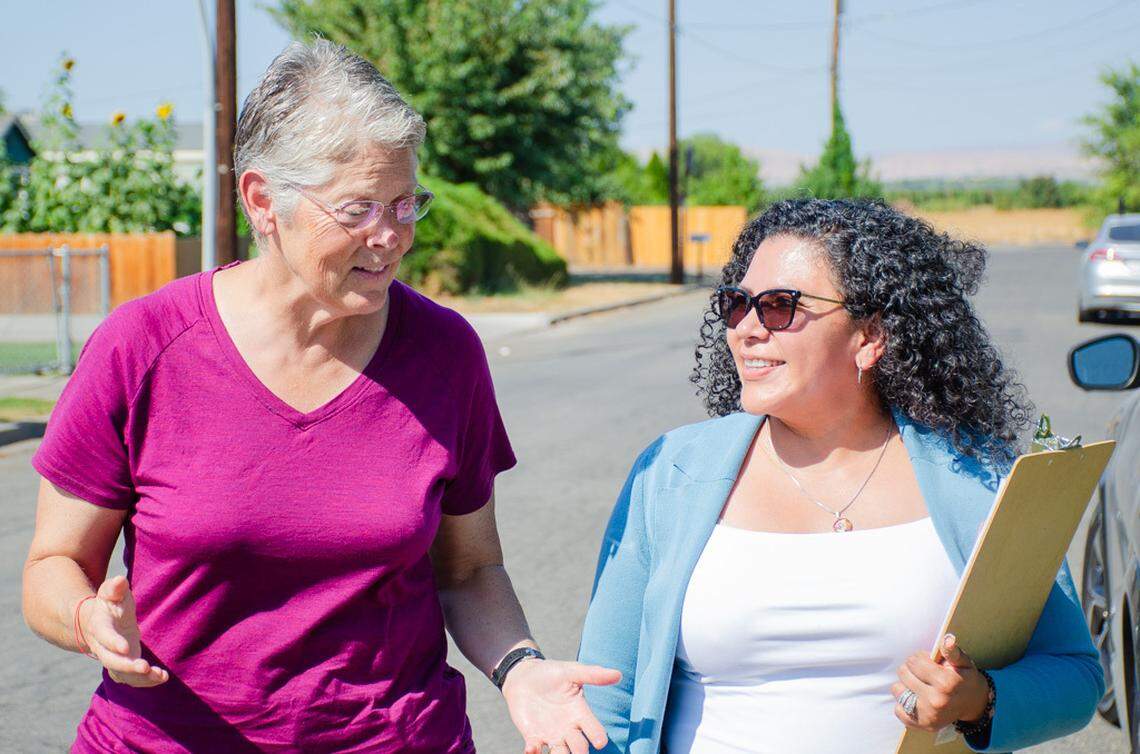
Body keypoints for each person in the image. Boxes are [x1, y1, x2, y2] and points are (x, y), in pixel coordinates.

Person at [22, 40, 617, 754]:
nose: (390, 237)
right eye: (357, 208)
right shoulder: (142, 347)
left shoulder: (445, 352)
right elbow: (52, 566)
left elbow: (468, 569)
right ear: (262, 200)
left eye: (405, 203)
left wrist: (519, 668)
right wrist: (87, 620)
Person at [577, 199, 1104, 753]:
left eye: (779, 306)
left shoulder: (976, 476)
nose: (746, 329)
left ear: (870, 336)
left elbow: (1074, 675)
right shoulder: (671, 472)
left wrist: (980, 702)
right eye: (737, 304)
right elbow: (606, 696)